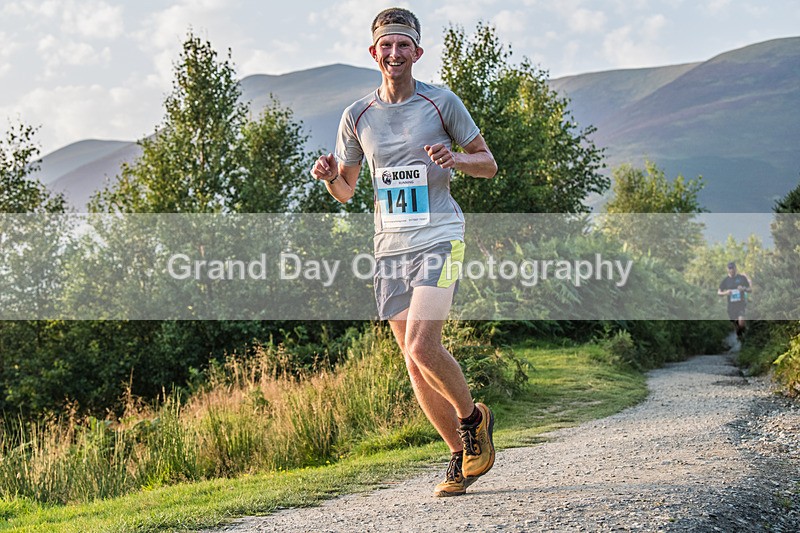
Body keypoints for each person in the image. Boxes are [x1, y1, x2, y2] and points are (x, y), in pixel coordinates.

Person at [310, 7, 498, 497]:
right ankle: (458, 455)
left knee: (422, 345)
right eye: (386, 46)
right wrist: (331, 175)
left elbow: (488, 164)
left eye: (404, 45)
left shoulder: (441, 103)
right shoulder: (357, 116)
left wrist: (455, 158)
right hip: (389, 247)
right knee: (413, 363)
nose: (395, 53)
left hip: (441, 237)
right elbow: (348, 190)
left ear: (417, 51)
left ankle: (474, 420)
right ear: (374, 53)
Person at [718, 261, 752, 341]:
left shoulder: (741, 278)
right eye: (730, 269)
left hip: (741, 304)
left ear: (735, 268)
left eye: (733, 268)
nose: (731, 270)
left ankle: (745, 336)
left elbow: (750, 289)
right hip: (731, 306)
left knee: (741, 322)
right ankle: (741, 339)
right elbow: (719, 292)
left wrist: (743, 289)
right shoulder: (725, 280)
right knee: (736, 325)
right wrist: (726, 293)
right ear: (727, 269)